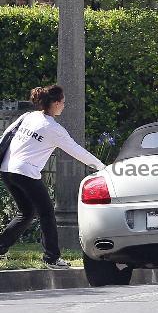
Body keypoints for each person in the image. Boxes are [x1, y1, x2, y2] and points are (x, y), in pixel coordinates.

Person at [0, 85, 105, 269]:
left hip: (7, 169)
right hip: (25, 172)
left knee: (27, 212)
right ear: (55, 103)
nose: (64, 106)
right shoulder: (53, 128)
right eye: (62, 102)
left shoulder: (28, 117)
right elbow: (77, 151)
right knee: (47, 213)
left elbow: (6, 136)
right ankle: (52, 258)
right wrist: (101, 166)